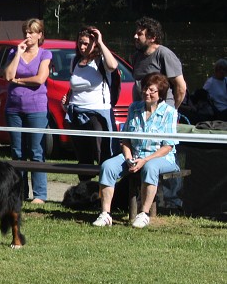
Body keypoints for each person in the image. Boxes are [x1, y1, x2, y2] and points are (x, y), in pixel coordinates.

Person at [92, 73, 179, 229]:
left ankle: (143, 214)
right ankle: (105, 214)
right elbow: (126, 139)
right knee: (107, 166)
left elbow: (168, 146)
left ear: (160, 94)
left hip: (160, 158)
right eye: (145, 89)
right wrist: (128, 158)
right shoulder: (134, 108)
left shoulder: (170, 112)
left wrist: (145, 160)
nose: (147, 93)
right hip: (134, 155)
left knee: (150, 167)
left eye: (152, 90)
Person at [2, 18, 52, 204]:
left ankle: (40, 195)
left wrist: (19, 81)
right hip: (13, 108)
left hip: (36, 108)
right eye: (25, 32)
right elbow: (8, 76)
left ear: (40, 35)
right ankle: (19, 192)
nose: (27, 35)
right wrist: (18, 54)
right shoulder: (14, 52)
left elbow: (40, 79)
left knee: (36, 151)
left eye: (31, 32)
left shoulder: (45, 54)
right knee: (17, 151)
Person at [62, 26, 119, 171]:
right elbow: (74, 85)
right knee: (83, 156)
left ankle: (104, 184)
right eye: (80, 43)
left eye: (86, 43)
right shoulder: (75, 60)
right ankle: (85, 183)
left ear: (94, 44)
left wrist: (100, 42)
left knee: (102, 155)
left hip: (97, 114)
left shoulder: (101, 60)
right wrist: (67, 100)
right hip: (76, 113)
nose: (82, 47)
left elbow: (113, 66)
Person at [130, 16, 187, 110]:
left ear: (152, 38)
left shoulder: (164, 55)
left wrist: (172, 110)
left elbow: (181, 88)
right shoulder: (136, 56)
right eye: (136, 33)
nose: (135, 36)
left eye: (140, 34)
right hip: (141, 111)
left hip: (162, 112)